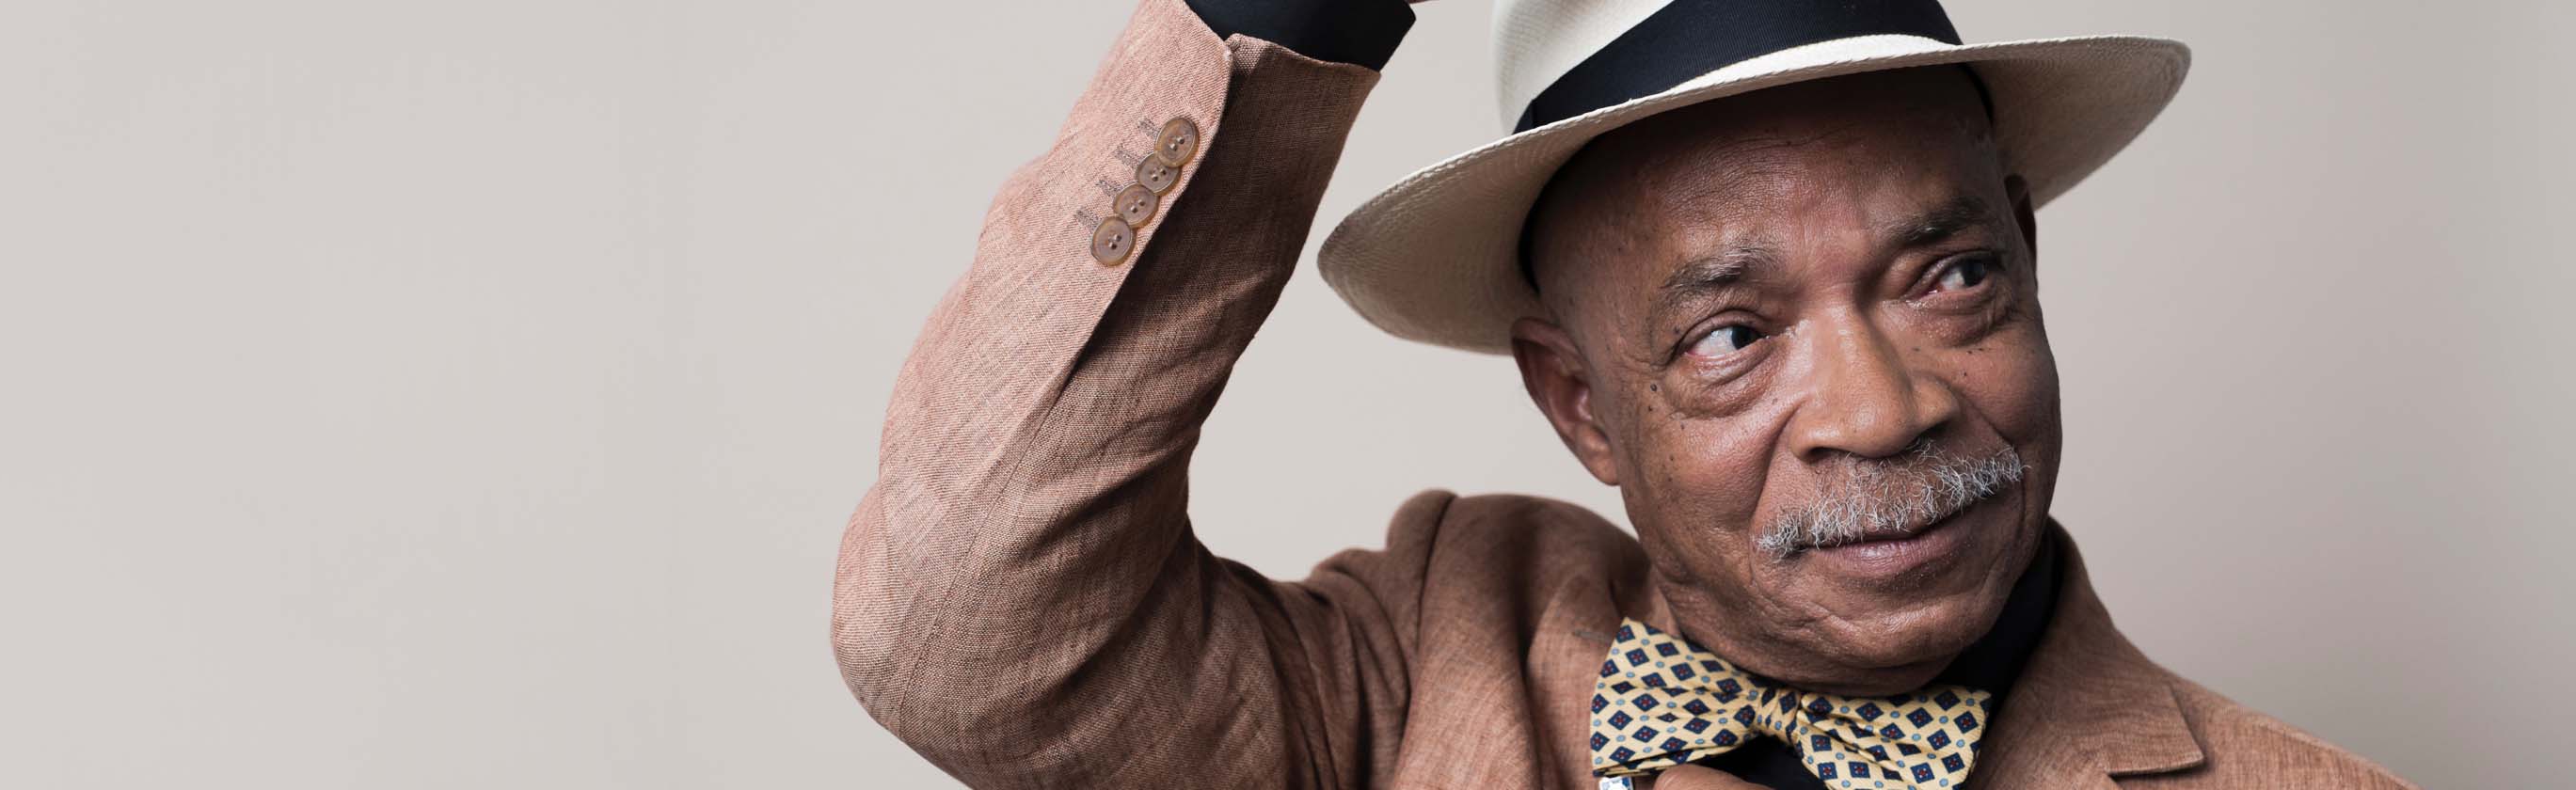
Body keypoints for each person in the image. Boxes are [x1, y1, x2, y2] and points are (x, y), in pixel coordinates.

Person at [826, 0, 2410, 786]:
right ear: (1579, 407)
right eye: (1732, 334)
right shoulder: (1409, 674)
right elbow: (964, 632)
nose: (1881, 410)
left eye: (1949, 276)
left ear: (2028, 259)